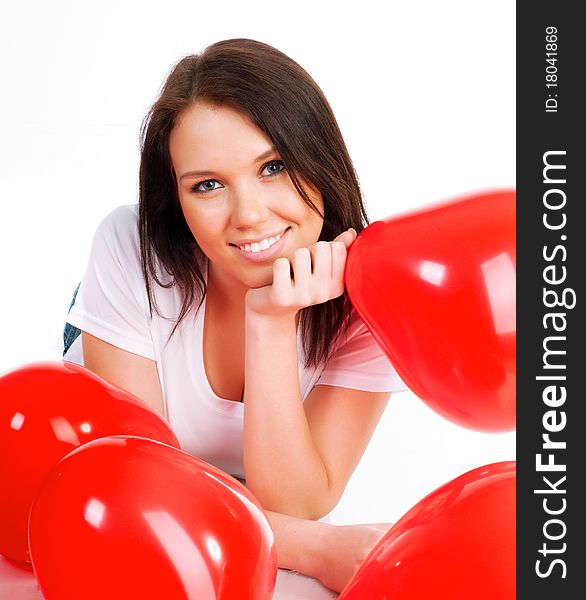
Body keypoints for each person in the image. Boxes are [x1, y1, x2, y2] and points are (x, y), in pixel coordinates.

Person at [63, 38, 406, 593]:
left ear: (320, 157)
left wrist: (269, 322)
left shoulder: (372, 298)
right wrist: (319, 547)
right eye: (208, 185)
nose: (248, 215)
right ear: (176, 201)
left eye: (272, 167)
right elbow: (142, 495)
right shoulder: (131, 245)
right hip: (130, 328)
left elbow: (295, 501)